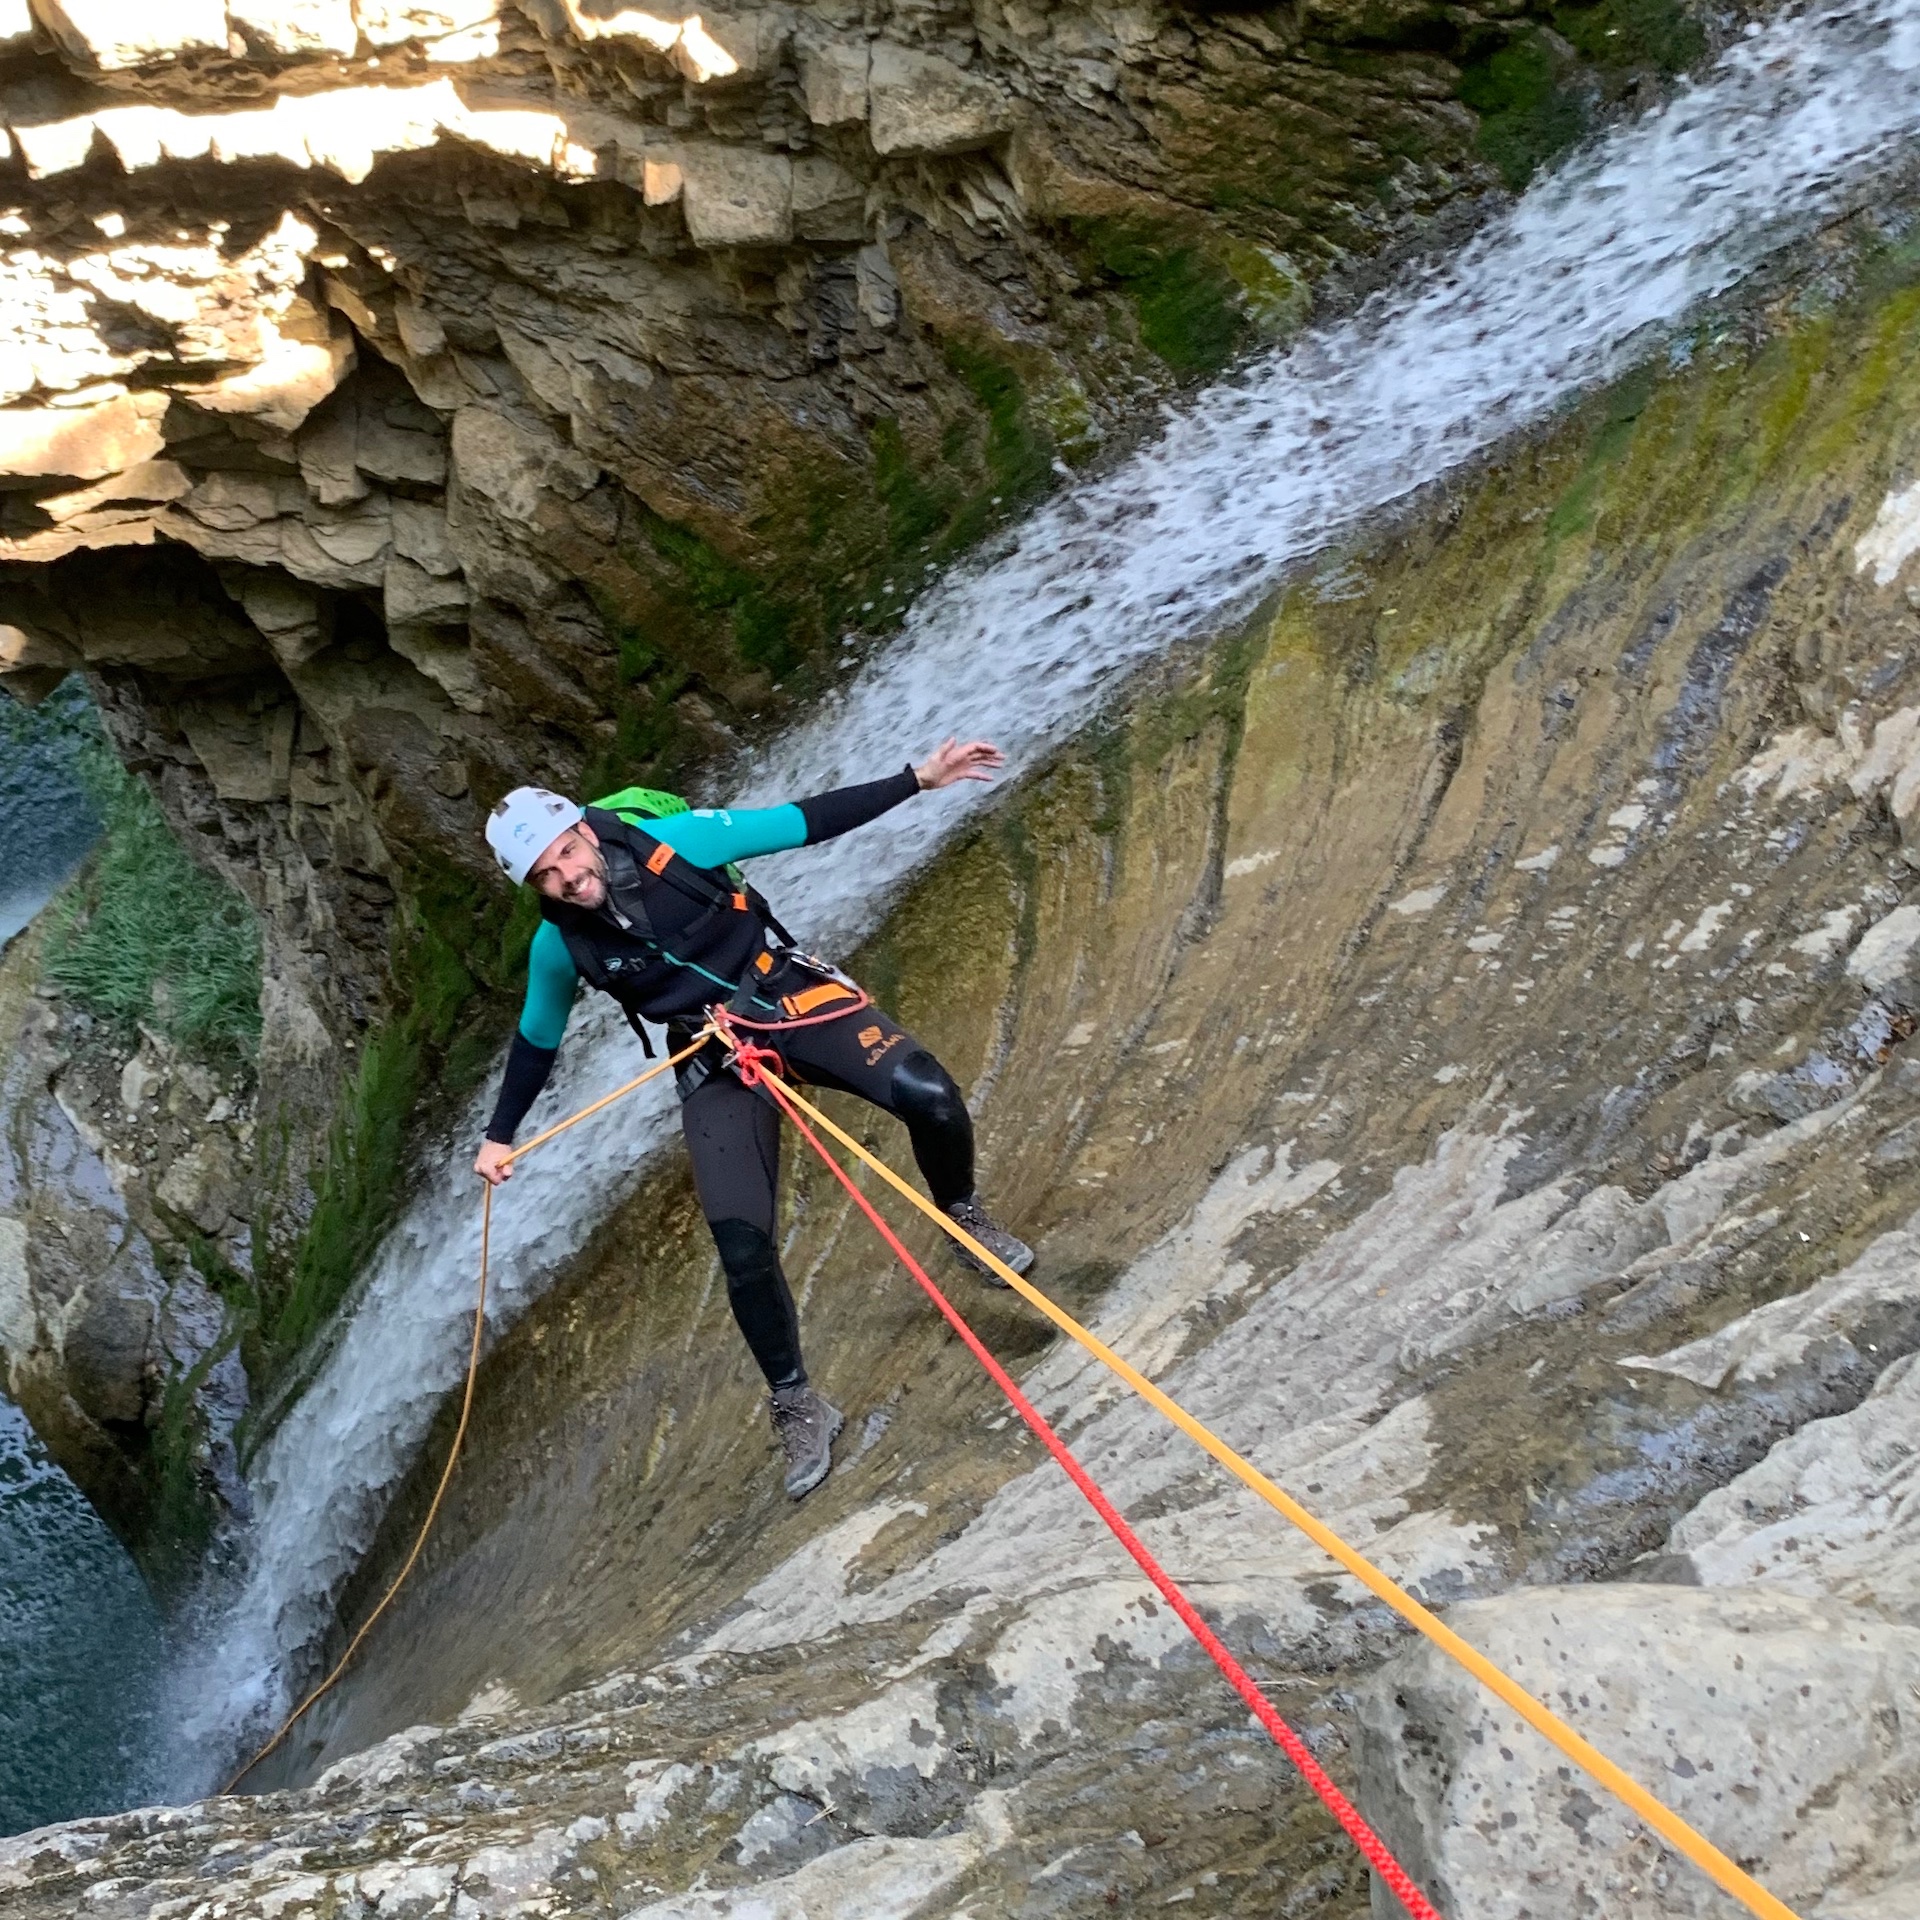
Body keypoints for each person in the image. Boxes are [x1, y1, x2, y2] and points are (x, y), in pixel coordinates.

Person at [474, 739, 1035, 1500]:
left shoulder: (680, 844)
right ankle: (798, 1402)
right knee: (741, 1244)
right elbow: (537, 1039)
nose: (572, 879)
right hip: (710, 1054)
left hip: (784, 997)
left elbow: (801, 821)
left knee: (928, 1094)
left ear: (585, 831)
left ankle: (963, 1217)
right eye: (548, 875)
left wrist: (919, 780)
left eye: (570, 855)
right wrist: (499, 1135)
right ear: (533, 885)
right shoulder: (559, 945)